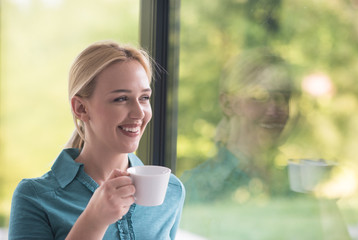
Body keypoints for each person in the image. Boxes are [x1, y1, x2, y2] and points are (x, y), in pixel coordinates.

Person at [8, 40, 185, 240]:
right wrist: (94, 220)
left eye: (144, 98)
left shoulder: (171, 190)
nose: (139, 113)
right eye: (121, 99)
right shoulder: (34, 196)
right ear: (81, 108)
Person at [181, 48, 293, 203]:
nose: (274, 109)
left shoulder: (288, 182)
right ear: (227, 104)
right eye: (259, 96)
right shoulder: (197, 187)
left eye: (284, 97)